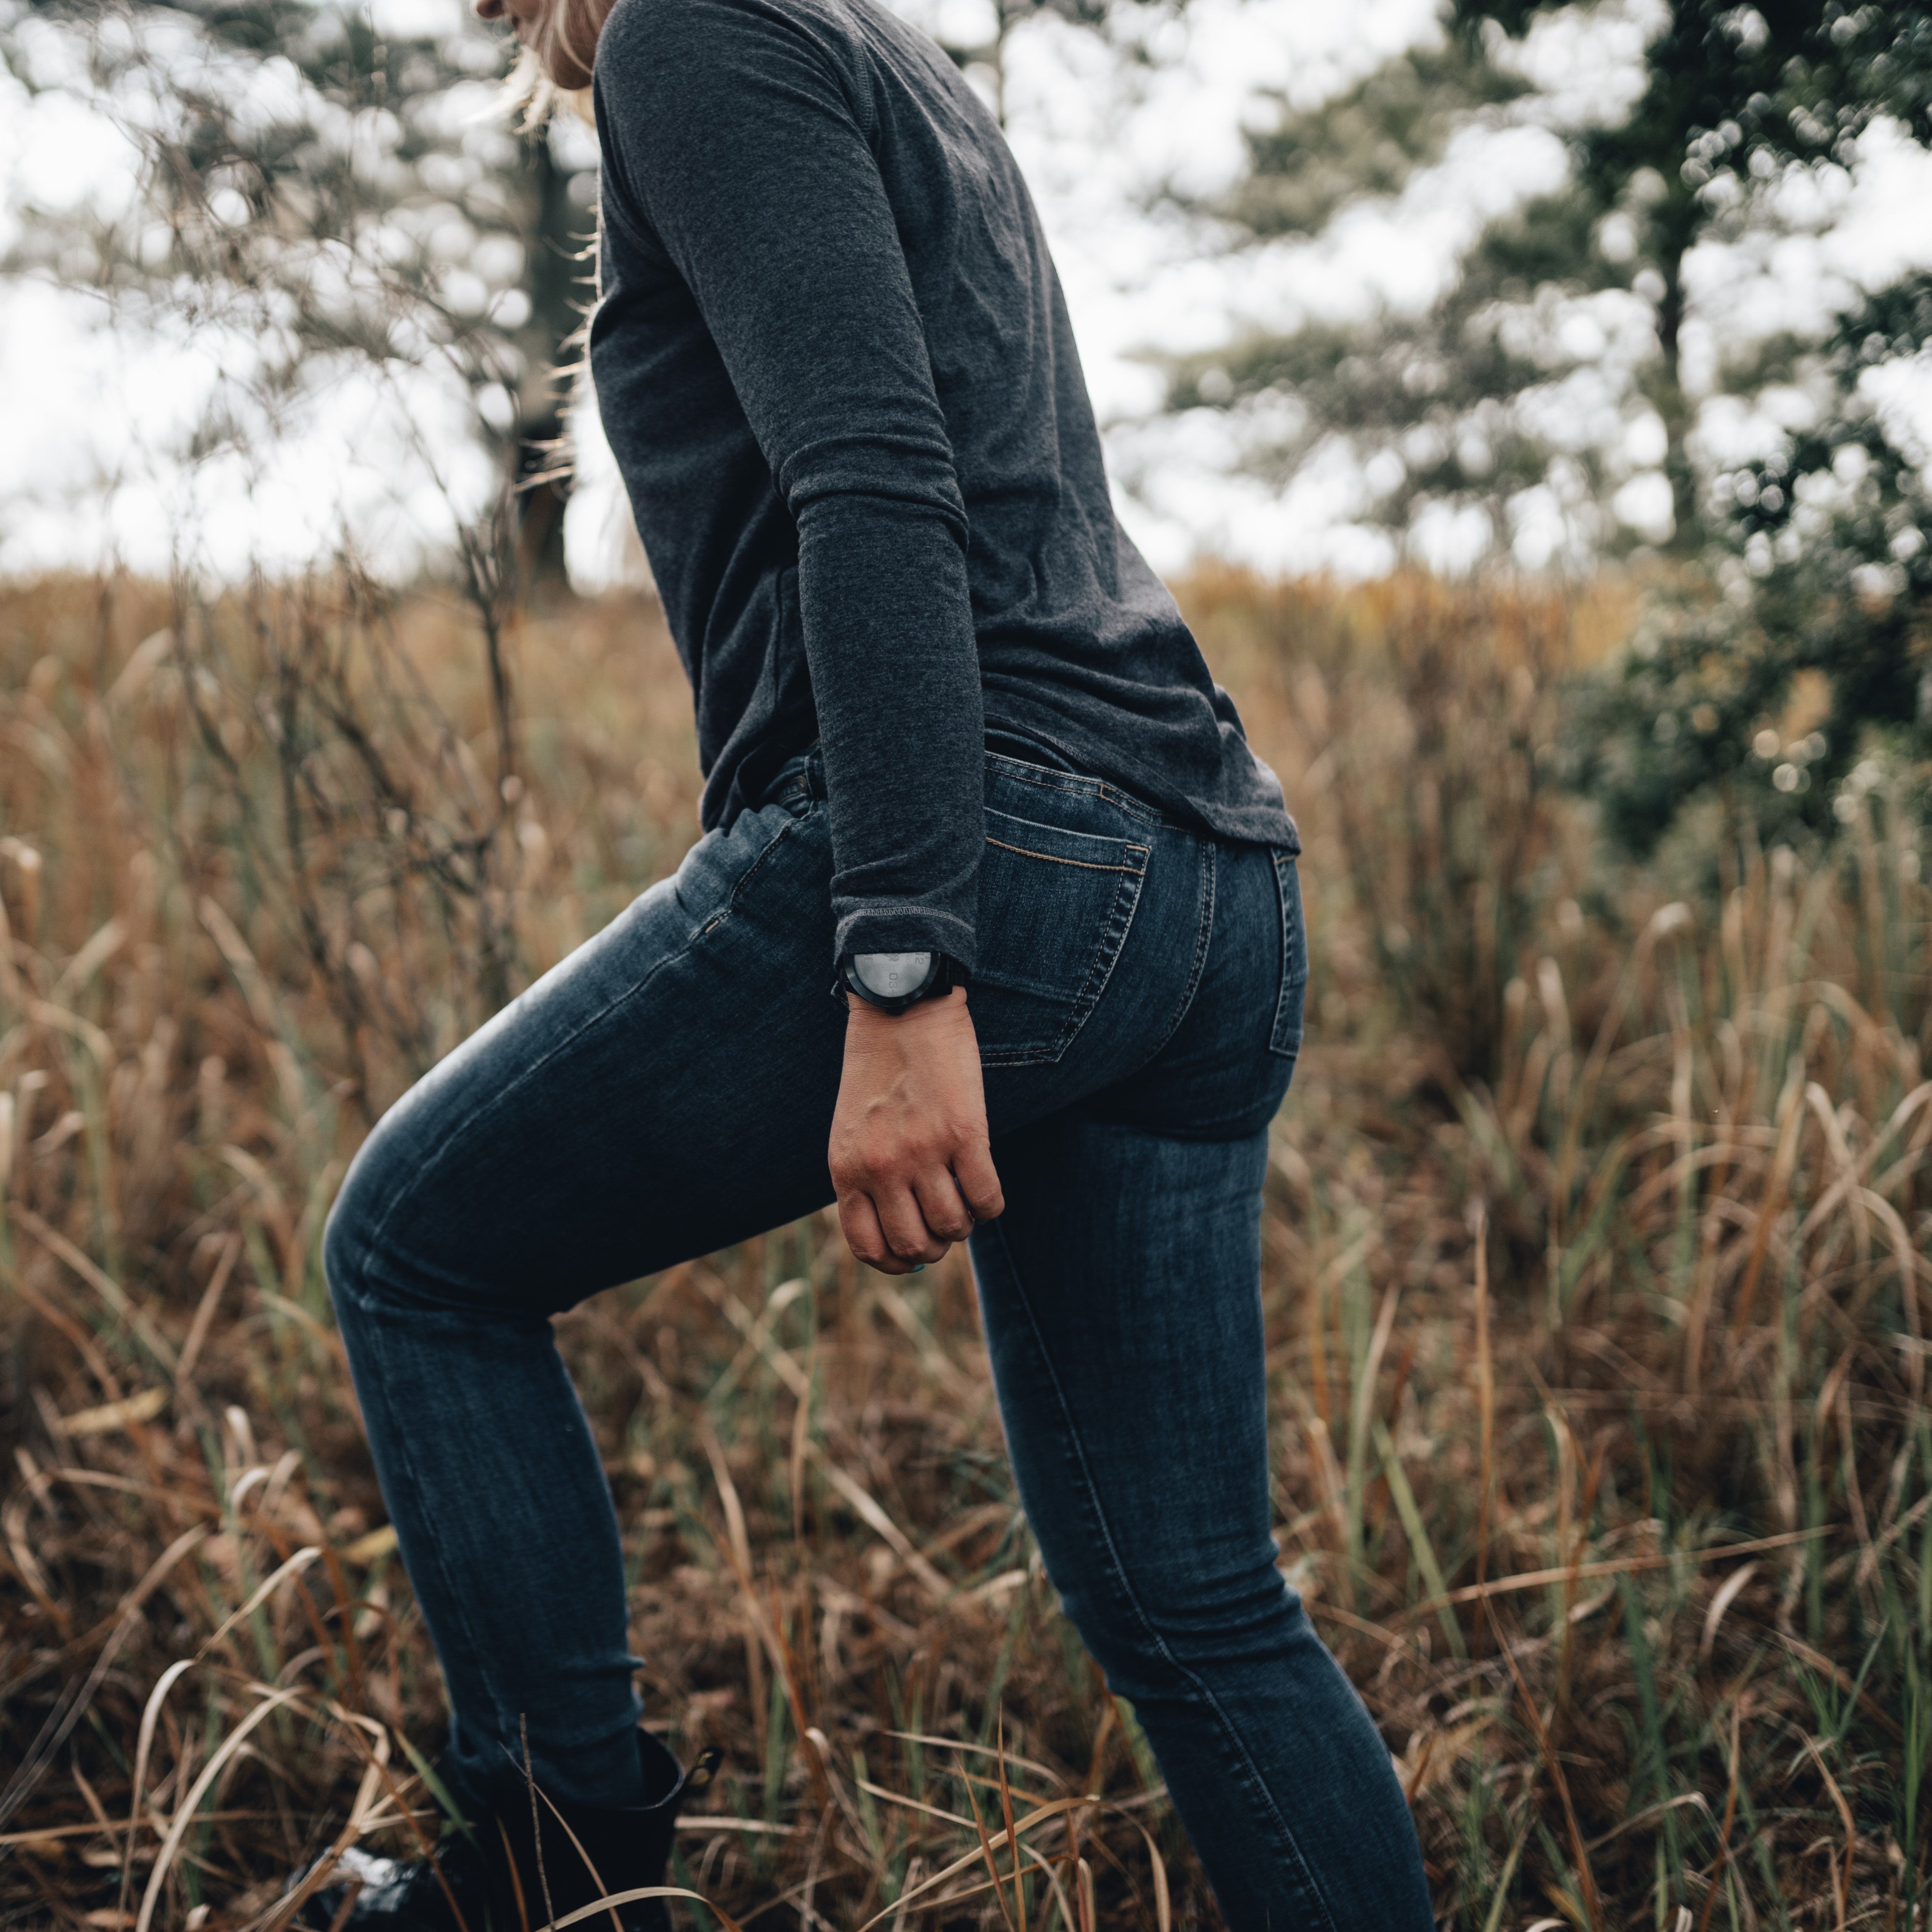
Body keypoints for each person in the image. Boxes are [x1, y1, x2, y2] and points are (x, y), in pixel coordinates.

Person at [298, 0, 1436, 1924]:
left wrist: (903, 955)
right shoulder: (884, 51)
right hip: (1206, 868)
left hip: (991, 850)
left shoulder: (696, 30)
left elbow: (877, 477)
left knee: (416, 1250)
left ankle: (555, 1876)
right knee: (1195, 1602)